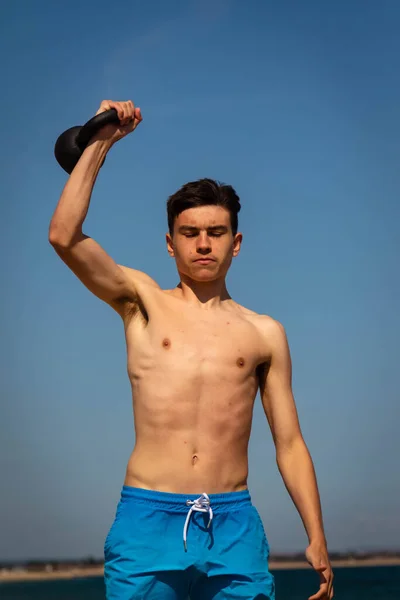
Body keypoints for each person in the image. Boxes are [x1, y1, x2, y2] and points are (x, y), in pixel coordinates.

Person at [49, 99, 334, 600]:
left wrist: (316, 534)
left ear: (236, 242)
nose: (203, 243)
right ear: (170, 243)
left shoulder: (265, 333)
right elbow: (64, 237)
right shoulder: (141, 302)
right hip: (147, 517)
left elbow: (288, 442)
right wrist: (101, 142)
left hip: (233, 525)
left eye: (215, 233)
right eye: (190, 233)